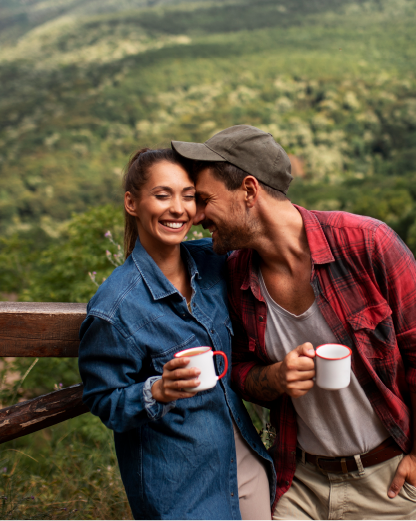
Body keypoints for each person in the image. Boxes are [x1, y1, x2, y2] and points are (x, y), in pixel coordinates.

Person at [172, 125, 416, 520]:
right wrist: (275, 378)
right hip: (298, 481)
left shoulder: (368, 244)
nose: (197, 215)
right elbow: (235, 368)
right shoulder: (235, 275)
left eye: (204, 200)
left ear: (250, 191)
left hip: (387, 483)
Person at [78, 147, 274, 521]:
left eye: (188, 196)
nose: (178, 209)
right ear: (132, 203)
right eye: (162, 195)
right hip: (179, 489)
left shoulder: (214, 262)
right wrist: (156, 391)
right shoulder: (115, 308)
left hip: (245, 465)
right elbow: (104, 400)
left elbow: (266, 239)